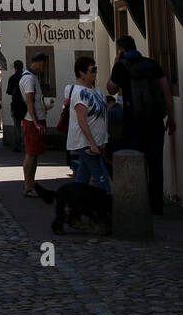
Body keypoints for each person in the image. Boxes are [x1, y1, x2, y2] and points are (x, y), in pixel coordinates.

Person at [107, 36, 176, 214]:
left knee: (134, 161)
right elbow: (167, 93)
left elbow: (111, 89)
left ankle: (136, 203)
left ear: (121, 50)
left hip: (133, 122)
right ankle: (156, 206)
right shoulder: (153, 64)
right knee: (156, 164)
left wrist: (116, 63)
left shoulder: (121, 66)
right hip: (155, 122)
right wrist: (171, 117)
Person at [67, 55, 111, 193]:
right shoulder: (80, 93)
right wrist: (92, 143)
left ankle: (75, 207)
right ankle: (105, 207)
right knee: (101, 178)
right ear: (82, 72)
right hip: (86, 144)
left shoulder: (97, 92)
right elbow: (82, 120)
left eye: (95, 69)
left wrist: (103, 140)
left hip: (96, 142)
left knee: (83, 178)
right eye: (92, 70)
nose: (95, 73)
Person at [20, 52, 49, 197]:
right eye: (44, 65)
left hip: (35, 119)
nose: (44, 68)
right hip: (31, 121)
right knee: (31, 154)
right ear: (39, 62)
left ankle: (31, 182)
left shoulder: (31, 77)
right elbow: (29, 101)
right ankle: (27, 185)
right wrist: (36, 121)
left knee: (34, 153)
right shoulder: (29, 79)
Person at [6, 60, 26, 147]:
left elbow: (9, 91)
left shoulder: (12, 78)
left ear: (15, 68)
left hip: (16, 103)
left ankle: (17, 145)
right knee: (26, 123)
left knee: (17, 124)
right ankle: (26, 143)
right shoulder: (25, 77)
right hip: (26, 103)